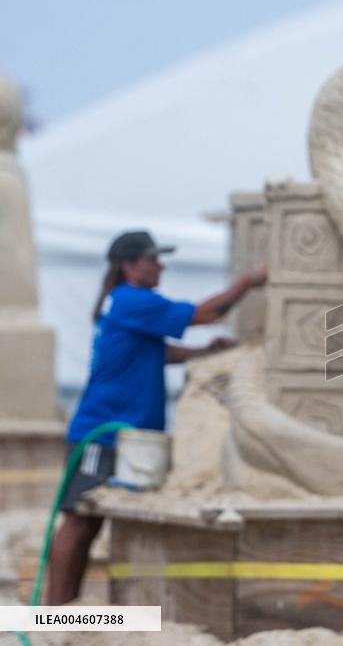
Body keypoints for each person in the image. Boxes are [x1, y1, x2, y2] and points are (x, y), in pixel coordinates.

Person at [47, 230, 267, 605]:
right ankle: (53, 610)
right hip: (101, 432)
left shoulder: (127, 306)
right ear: (129, 266)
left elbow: (155, 355)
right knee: (80, 519)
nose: (160, 264)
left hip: (126, 433)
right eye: (152, 258)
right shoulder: (134, 300)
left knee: (91, 522)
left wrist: (202, 352)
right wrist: (248, 282)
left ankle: (63, 609)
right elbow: (206, 313)